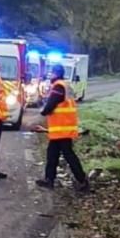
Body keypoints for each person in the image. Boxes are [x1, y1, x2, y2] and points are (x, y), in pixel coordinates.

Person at [36, 64, 89, 192]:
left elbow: (51, 104)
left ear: (55, 73)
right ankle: (50, 179)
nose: (50, 75)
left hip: (61, 129)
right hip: (64, 128)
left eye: (51, 73)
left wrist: (43, 111)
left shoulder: (58, 86)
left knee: (68, 155)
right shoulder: (65, 85)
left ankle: (82, 180)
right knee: (53, 154)